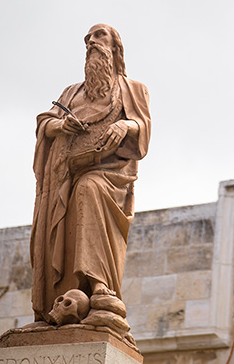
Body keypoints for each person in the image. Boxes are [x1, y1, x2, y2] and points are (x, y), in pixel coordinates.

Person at [30, 24, 151, 324]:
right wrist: (62, 126)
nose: (91, 42)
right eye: (88, 39)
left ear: (115, 48)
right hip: (64, 175)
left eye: (99, 36)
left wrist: (126, 125)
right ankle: (61, 300)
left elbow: (144, 129)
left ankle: (98, 286)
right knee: (73, 196)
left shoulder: (133, 89)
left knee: (89, 188)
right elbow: (45, 122)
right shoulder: (71, 93)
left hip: (109, 174)